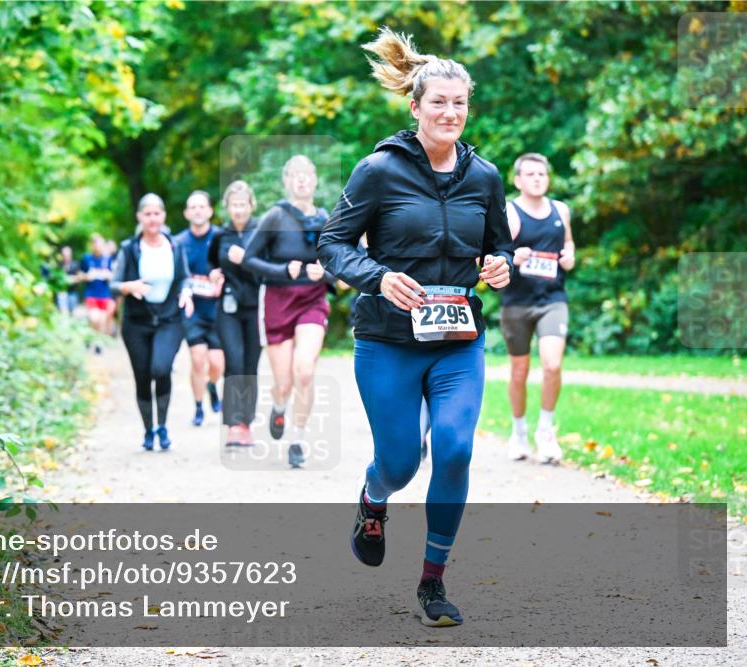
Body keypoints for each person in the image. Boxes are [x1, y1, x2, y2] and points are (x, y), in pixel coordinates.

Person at [317, 28, 512, 627]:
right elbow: (332, 244)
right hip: (387, 341)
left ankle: (433, 582)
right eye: (438, 103)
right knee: (401, 462)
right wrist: (377, 277)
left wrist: (500, 267)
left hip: (457, 341)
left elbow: (497, 249)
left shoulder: (485, 177)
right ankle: (375, 498)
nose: (450, 112)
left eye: (459, 103)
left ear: (467, 109)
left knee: (454, 449)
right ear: (415, 107)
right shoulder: (378, 169)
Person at [243, 155, 336, 469]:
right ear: (286, 182)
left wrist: (322, 273)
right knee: (283, 382)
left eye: (306, 174)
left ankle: (297, 440)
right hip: (277, 302)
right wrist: (284, 268)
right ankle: (279, 406)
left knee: (304, 371)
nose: (301, 180)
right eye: (295, 175)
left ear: (314, 180)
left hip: (312, 301)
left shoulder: (326, 219)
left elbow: (339, 267)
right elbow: (249, 259)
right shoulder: (274, 216)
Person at [500, 153, 575, 464]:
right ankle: (518, 432)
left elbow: (568, 244)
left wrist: (570, 256)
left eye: (541, 174)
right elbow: (496, 252)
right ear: (518, 180)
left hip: (552, 300)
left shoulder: (561, 210)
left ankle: (545, 430)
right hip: (517, 301)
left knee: (552, 365)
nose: (536, 179)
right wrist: (514, 256)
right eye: (529, 174)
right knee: (519, 371)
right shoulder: (510, 212)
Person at [110, 193, 194, 451]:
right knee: (143, 376)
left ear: (163, 216)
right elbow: (113, 284)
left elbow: (184, 277)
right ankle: (148, 430)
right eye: (147, 214)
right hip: (136, 322)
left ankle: (163, 427)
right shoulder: (130, 248)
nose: (152, 218)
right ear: (140, 217)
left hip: (169, 318)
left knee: (161, 368)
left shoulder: (174, 246)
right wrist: (128, 286)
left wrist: (187, 291)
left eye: (157, 213)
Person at [208, 180, 262, 447]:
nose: (238, 210)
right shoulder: (220, 235)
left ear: (251, 206)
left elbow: (270, 266)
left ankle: (247, 424)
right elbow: (211, 263)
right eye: (234, 205)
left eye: (243, 204)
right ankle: (233, 424)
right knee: (234, 361)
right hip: (228, 308)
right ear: (227, 207)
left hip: (257, 307)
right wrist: (213, 274)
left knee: (250, 365)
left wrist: (247, 260)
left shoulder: (261, 231)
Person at [175, 191, 225, 426]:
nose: (197, 210)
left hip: (217, 310)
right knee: (197, 359)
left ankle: (212, 385)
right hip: (192, 310)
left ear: (210, 211)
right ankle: (198, 408)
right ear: (186, 213)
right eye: (192, 207)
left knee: (216, 364)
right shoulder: (178, 243)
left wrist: (222, 279)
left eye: (201, 206)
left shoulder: (220, 237)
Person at [79, 234, 116, 350]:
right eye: (95, 244)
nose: (98, 247)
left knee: (102, 319)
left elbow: (114, 276)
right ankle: (91, 338)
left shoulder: (107, 260)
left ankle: (97, 342)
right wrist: (87, 276)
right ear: (92, 245)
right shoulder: (86, 259)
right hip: (91, 294)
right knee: (94, 318)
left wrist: (107, 275)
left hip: (104, 295)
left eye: (100, 244)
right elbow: (79, 275)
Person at [54, 245, 83, 316]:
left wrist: (73, 279)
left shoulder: (75, 264)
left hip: (72, 292)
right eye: (64, 255)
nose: (66, 257)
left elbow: (80, 277)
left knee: (73, 313)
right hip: (62, 292)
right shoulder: (59, 265)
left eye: (67, 255)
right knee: (63, 312)